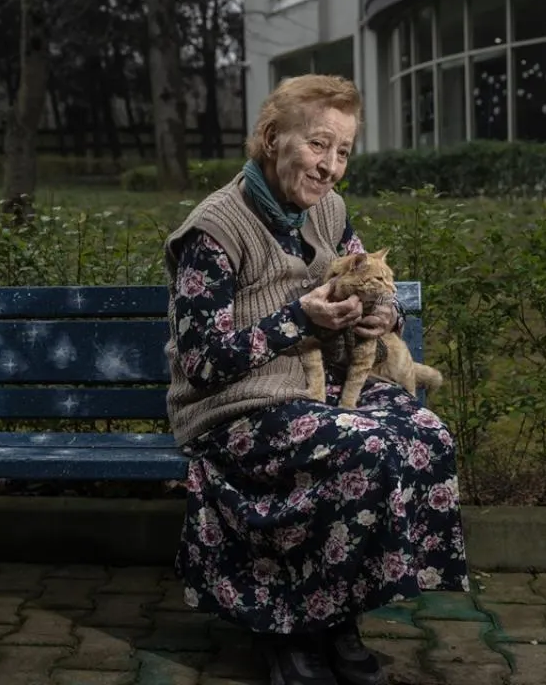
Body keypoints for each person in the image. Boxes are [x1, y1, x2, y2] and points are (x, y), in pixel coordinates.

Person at [161, 74, 469, 685]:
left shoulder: (328, 212)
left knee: (426, 434)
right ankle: (288, 628)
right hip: (231, 405)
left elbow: (369, 282)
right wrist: (293, 320)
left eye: (344, 152)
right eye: (318, 145)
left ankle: (336, 612)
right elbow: (201, 363)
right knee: (363, 448)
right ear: (273, 139)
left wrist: (385, 313)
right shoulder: (213, 231)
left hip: (313, 391)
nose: (331, 167)